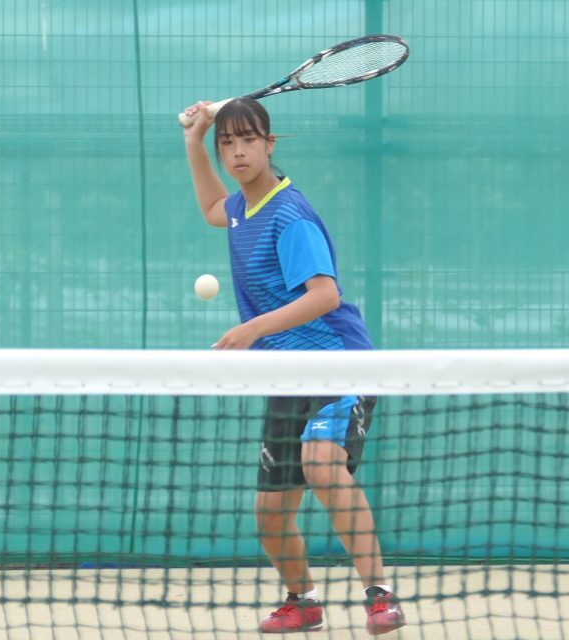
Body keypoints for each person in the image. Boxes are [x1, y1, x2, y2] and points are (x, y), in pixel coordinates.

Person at [181, 97, 406, 636]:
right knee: (271, 514)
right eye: (227, 143)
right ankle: (302, 601)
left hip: (337, 364)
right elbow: (212, 208)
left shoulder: (290, 216)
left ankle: (380, 596)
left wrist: (253, 329)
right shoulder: (242, 208)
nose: (238, 152)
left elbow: (325, 295)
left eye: (248, 140)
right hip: (285, 374)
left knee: (322, 464)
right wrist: (193, 141)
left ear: (269, 143)